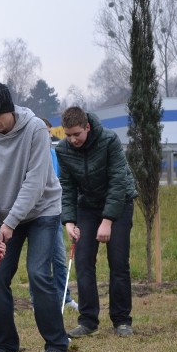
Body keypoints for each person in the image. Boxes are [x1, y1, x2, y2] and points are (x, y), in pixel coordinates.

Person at [0, 81, 70, 352]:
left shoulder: (35, 129)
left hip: (41, 211)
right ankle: (5, 346)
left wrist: (11, 222)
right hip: (2, 220)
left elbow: (36, 181)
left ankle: (56, 345)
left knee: (38, 273)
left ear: (10, 110)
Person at [56, 106, 138, 338]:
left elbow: (118, 181)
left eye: (77, 134)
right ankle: (88, 320)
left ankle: (122, 320)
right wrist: (69, 221)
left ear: (87, 127)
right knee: (83, 261)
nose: (72, 140)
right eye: (68, 135)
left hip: (119, 203)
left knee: (118, 262)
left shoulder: (109, 140)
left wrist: (108, 221)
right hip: (88, 206)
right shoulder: (63, 150)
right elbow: (68, 186)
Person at [41, 117, 79, 313]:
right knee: (40, 263)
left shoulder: (55, 155)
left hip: (55, 213)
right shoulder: (30, 157)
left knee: (59, 259)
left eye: (49, 132)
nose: (47, 136)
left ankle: (65, 298)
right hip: (37, 217)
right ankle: (38, 300)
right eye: (43, 132)